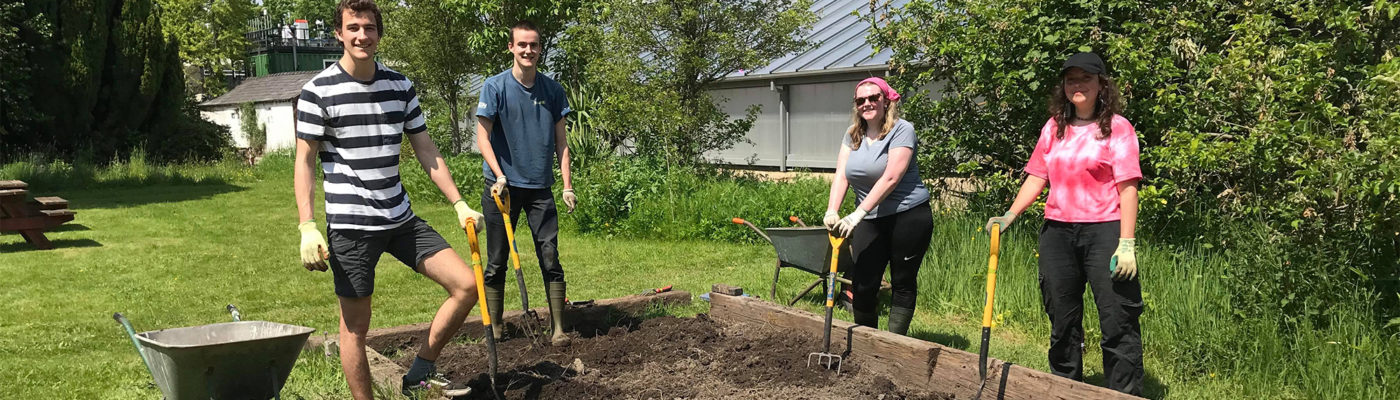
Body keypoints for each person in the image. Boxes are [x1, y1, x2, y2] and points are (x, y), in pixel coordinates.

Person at [293, 0, 481, 397]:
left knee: (466, 285)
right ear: (339, 34)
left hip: (401, 219)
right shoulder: (317, 92)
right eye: (353, 27)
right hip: (352, 228)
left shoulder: (400, 86)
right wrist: (307, 225)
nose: (362, 35)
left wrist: (459, 202)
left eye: (369, 27)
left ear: (379, 33)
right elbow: (305, 162)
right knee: (355, 329)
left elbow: (427, 151)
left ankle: (419, 373)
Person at [985, 52, 1144, 395]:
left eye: (1085, 78)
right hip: (1057, 232)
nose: (1077, 85)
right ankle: (1065, 388)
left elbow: (1128, 188)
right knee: (1062, 319)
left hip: (1104, 231)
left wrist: (1126, 243)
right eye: (1071, 79)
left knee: (1117, 319)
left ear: (1101, 84)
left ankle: (1122, 392)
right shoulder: (1054, 126)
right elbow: (1036, 176)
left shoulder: (1118, 127)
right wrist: (1011, 214)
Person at [475, 20, 577, 346]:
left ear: (539, 48)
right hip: (500, 188)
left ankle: (558, 328)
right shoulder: (495, 87)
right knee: (496, 260)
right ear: (511, 48)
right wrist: (499, 174)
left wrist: (567, 185)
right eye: (522, 45)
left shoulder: (553, 91)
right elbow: (482, 137)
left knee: (550, 256)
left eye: (533, 45)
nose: (528, 50)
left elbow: (562, 143)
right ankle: (496, 327)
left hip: (539, 188)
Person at [822, 77, 933, 336]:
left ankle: (895, 343)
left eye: (874, 98)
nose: (867, 103)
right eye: (861, 100)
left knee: (902, 282)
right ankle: (867, 340)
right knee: (862, 283)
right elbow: (842, 174)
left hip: (908, 215)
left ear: (886, 101)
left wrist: (858, 213)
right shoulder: (852, 134)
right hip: (868, 220)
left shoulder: (902, 129)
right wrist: (832, 209)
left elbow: (891, 177)